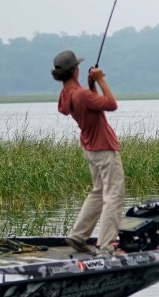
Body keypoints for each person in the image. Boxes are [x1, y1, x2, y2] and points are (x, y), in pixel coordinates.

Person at [51, 49, 125, 255]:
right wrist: (100, 80)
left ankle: (78, 235)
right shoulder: (81, 94)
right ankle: (107, 246)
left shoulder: (67, 94)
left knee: (98, 192)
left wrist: (91, 84)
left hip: (90, 148)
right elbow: (111, 104)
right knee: (114, 196)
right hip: (103, 148)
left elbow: (91, 102)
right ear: (75, 70)